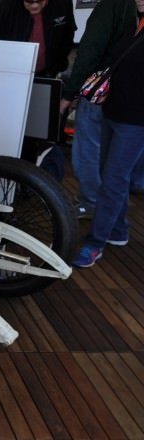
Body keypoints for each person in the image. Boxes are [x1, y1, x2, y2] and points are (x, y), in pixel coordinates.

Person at [72, 18, 144, 268]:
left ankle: (95, 243)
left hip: (135, 122)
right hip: (112, 112)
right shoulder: (133, 25)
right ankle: (118, 230)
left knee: (113, 179)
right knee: (111, 176)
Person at [58, 0, 139, 219]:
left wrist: (70, 93)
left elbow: (90, 50)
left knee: (89, 148)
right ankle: (116, 202)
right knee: (119, 154)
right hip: (131, 95)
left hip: (101, 90)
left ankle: (91, 201)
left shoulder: (111, 6)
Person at [0, 0, 76, 78]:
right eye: (29, 1)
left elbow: (68, 34)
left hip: (48, 74)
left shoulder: (63, 4)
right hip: (12, 76)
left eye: (40, 1)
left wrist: (57, 65)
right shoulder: (2, 9)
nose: (35, 5)